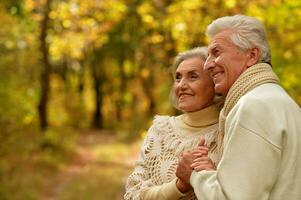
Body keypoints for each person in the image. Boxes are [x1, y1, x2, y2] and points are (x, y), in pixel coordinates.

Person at [176, 14, 301, 200]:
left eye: (216, 53)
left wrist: (194, 174)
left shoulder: (253, 106)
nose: (208, 64)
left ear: (252, 55)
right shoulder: (283, 102)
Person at [124, 47, 222, 200]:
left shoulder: (229, 131)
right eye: (178, 78)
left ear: (215, 83)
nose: (181, 85)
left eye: (193, 77)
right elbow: (133, 194)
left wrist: (210, 177)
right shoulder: (160, 130)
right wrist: (179, 186)